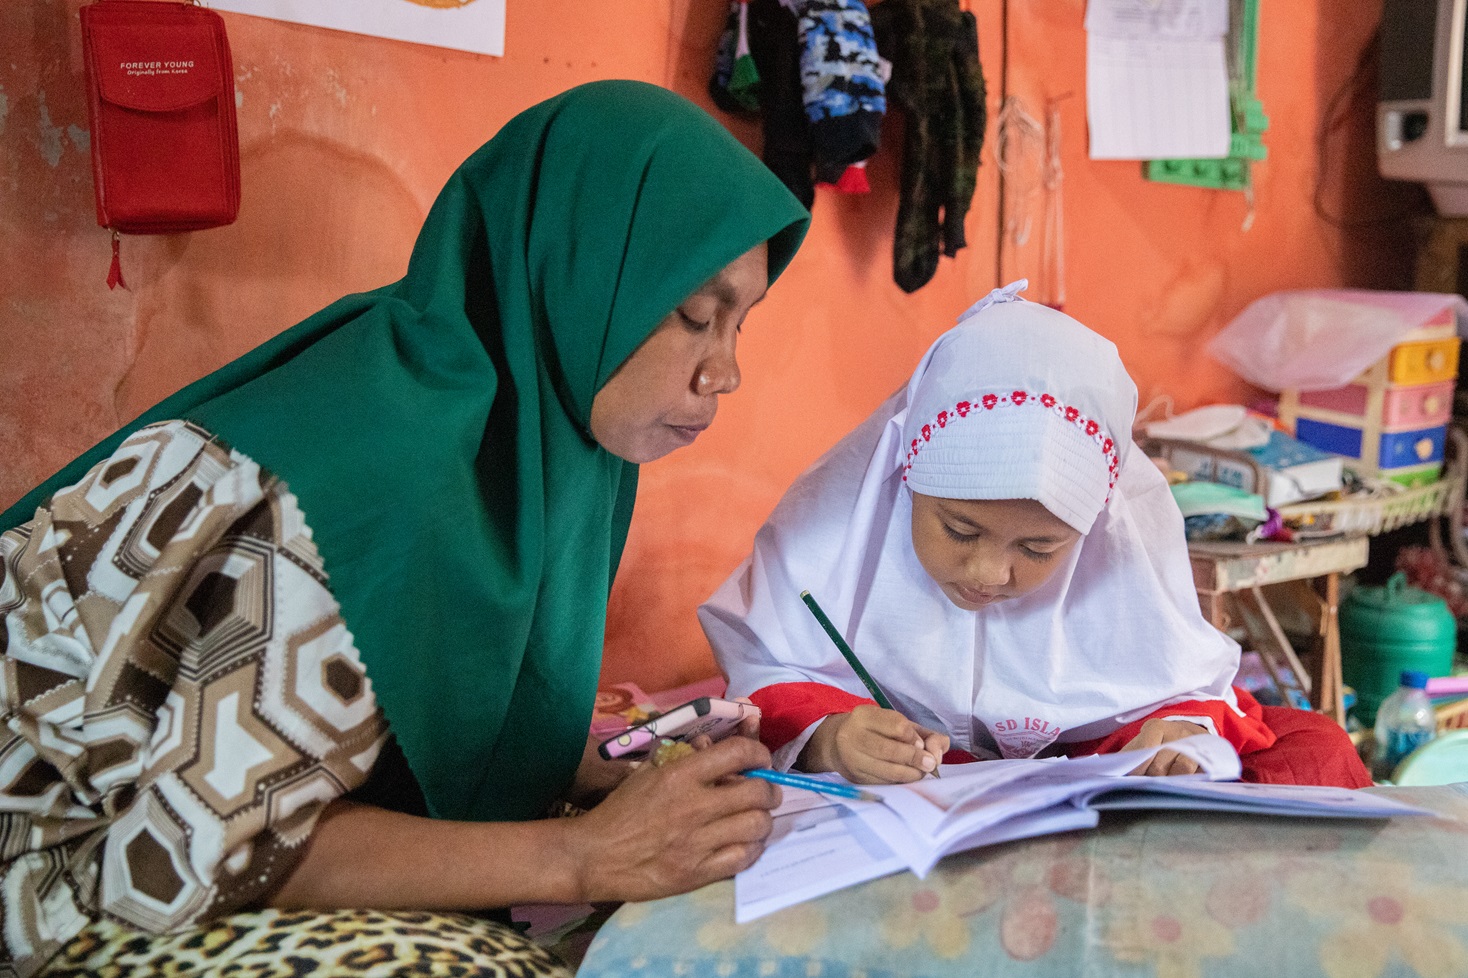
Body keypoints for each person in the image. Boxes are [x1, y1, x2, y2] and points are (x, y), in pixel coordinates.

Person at [0, 80, 808, 977]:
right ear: (575, 276)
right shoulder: (377, 464)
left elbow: (405, 694)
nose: (724, 371)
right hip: (49, 864)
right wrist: (582, 852)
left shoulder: (544, 439)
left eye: (742, 322)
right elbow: (199, 848)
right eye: (694, 313)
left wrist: (579, 765)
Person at [701, 282, 1367, 788]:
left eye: (1039, 548)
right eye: (960, 529)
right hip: (915, 783)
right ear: (904, 478)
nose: (990, 572)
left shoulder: (1116, 543)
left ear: (1094, 527)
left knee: (1321, 751)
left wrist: (1175, 739)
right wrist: (835, 739)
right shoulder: (836, 535)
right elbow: (768, 671)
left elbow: (1180, 685)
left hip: (1081, 776)